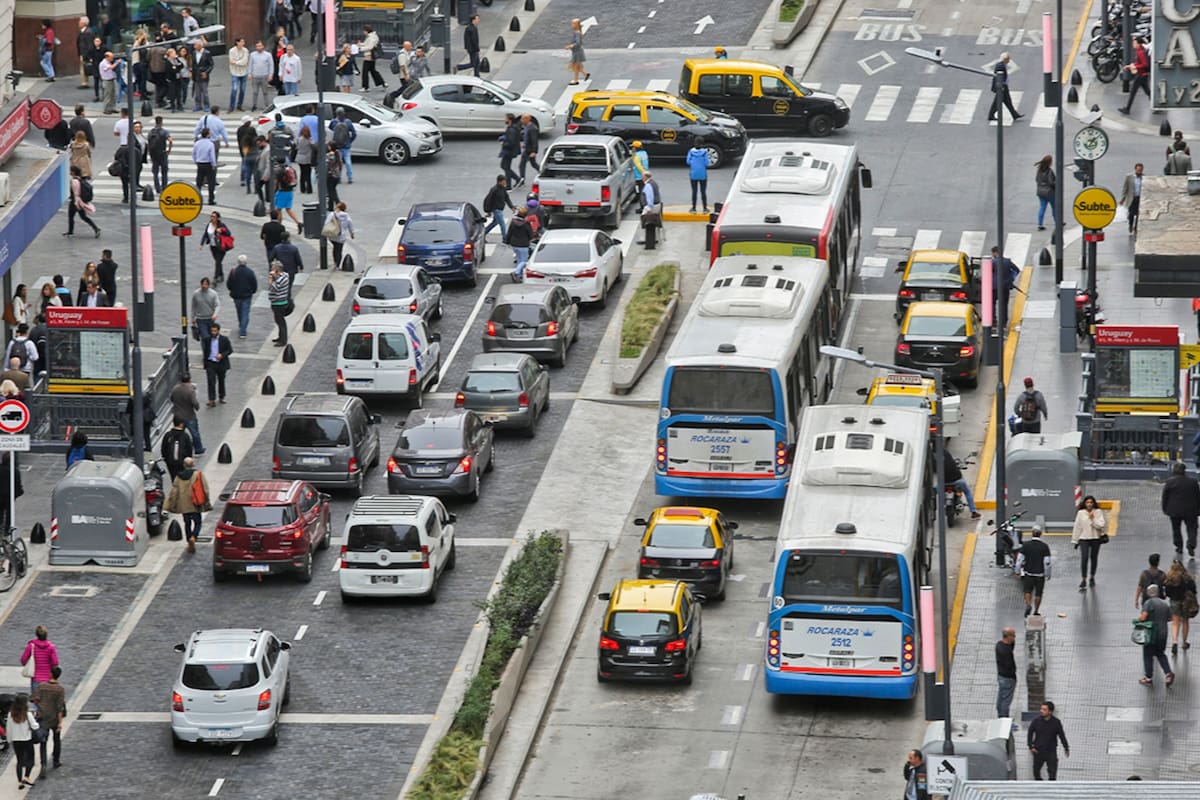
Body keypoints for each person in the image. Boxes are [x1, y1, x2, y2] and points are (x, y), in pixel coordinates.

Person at [164, 456, 210, 553]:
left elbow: (174, 492)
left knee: (187, 523)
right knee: (198, 523)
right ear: (193, 464)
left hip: (184, 505)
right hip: (195, 503)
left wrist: (170, 504)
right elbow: (205, 489)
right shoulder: (198, 475)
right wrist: (206, 502)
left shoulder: (178, 477)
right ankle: (194, 537)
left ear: (184, 465)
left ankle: (189, 540)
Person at [1162, 461, 1200, 557]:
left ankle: (1179, 546)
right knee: (1192, 528)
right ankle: (1191, 545)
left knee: (1176, 528)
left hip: (1174, 510)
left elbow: (1165, 496)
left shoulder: (1170, 482)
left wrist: (1165, 508)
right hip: (1191, 510)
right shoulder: (1193, 482)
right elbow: (1198, 496)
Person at [1140, 583, 1175, 686]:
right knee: (1160, 654)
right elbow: (1170, 618)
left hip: (1151, 634)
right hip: (1163, 633)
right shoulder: (1164, 604)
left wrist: (1139, 620)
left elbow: (1143, 617)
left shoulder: (1148, 603)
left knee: (1147, 655)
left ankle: (1148, 677)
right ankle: (1168, 673)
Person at [31, 666, 65, 771]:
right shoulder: (60, 689)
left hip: (43, 717)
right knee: (56, 740)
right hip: (54, 717)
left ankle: (44, 764)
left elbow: (34, 699)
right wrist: (60, 722)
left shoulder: (41, 686)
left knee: (43, 741)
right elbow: (60, 707)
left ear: (50, 674)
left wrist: (40, 706)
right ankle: (56, 761)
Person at [1071, 494, 1107, 589]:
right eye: (1087, 502)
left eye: (1091, 502)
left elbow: (1101, 525)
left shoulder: (1098, 512)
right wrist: (1075, 540)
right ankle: (1083, 578)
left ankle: (1092, 576)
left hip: (1095, 538)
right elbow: (1077, 527)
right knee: (1084, 557)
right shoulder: (1081, 513)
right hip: (1084, 538)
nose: (1089, 504)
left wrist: (1092, 519)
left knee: (1094, 557)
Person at [1027, 701, 1068, 780]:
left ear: (1050, 712)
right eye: (1041, 709)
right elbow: (1030, 733)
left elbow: (1061, 735)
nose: (1041, 711)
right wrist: (1030, 746)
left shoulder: (1056, 722)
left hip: (1051, 751)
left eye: (1044, 709)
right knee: (1036, 771)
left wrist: (1066, 747)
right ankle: (1040, 787)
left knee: (1052, 773)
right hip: (1038, 750)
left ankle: (1051, 789)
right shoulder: (1036, 721)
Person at [1164, 558, 1197, 655]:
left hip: (1174, 601)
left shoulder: (1170, 577)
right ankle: (1184, 642)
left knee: (1175, 622)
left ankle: (1175, 641)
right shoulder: (1187, 577)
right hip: (1185, 602)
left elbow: (1167, 592)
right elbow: (1194, 590)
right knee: (1185, 621)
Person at [6, 694, 39, 788]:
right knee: (30, 760)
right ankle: (27, 777)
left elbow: (9, 728)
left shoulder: (11, 714)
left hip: (16, 740)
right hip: (27, 739)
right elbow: (35, 726)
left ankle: (20, 781)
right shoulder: (27, 714)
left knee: (19, 761)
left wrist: (9, 739)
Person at [1019, 524, 1051, 617]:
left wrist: (1018, 571)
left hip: (1028, 572)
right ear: (1041, 534)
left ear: (1032, 533)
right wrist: (1048, 574)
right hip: (1040, 574)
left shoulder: (1026, 545)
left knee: (1027, 590)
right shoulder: (1044, 546)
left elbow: (1020, 559)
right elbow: (1047, 562)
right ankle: (1036, 610)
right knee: (1038, 593)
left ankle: (1028, 605)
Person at [170, 373, 203, 454]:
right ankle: (198, 449)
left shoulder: (175, 389)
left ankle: (178, 447)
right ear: (189, 380)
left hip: (178, 415)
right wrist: (197, 407)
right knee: (195, 433)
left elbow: (171, 398)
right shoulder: (190, 391)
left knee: (178, 433)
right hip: (189, 416)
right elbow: (194, 402)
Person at [226, 255, 258, 339]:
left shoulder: (233, 271)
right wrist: (253, 291)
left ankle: (241, 325)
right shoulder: (250, 272)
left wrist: (232, 290)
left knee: (239, 311)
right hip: (247, 295)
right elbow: (254, 283)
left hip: (236, 295)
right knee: (245, 312)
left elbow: (229, 283)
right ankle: (243, 331)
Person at [19, 626, 59, 695]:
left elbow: (23, 660)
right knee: (46, 701)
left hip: (36, 679)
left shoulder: (31, 646)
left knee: (36, 700)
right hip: (47, 679)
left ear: (37, 634)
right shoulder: (51, 647)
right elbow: (55, 663)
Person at [65, 165, 100, 238]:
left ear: (73, 172)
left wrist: (75, 202)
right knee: (83, 217)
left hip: (76, 201)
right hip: (80, 201)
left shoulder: (74, 180)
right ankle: (96, 228)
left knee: (71, 216)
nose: (69, 172)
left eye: (70, 170)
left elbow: (76, 193)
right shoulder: (81, 179)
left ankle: (70, 232)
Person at [944, 449, 980, 519]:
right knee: (967, 492)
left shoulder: (938, 462)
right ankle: (973, 511)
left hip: (945, 483)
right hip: (958, 481)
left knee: (935, 490)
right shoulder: (950, 459)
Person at [202, 322, 232, 406]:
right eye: (212, 331)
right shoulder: (207, 340)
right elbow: (205, 351)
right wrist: (205, 363)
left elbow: (229, 350)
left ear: (218, 331)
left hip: (221, 363)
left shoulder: (224, 339)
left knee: (221, 381)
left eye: (215, 331)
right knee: (211, 381)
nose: (213, 333)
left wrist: (222, 355)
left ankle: (221, 396)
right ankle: (211, 399)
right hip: (211, 363)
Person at [1120, 37, 1151, 115]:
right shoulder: (1140, 50)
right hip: (1143, 75)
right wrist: (1130, 66)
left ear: (1138, 44)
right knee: (1147, 91)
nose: (1133, 44)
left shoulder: (1140, 52)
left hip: (1140, 75)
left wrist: (1135, 67)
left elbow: (1145, 64)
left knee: (1133, 92)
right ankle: (1156, 104)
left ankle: (1127, 109)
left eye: (1134, 43)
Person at [200, 211, 233, 284]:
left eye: (214, 216)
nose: (212, 218)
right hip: (212, 246)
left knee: (218, 262)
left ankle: (215, 277)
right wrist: (202, 244)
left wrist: (221, 230)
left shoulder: (221, 225)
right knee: (218, 262)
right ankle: (221, 275)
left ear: (217, 218)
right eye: (211, 216)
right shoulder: (209, 225)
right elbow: (205, 234)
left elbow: (228, 233)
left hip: (220, 246)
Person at [987, 52, 1021, 122]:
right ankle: (991, 115)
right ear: (1005, 59)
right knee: (997, 102)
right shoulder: (1000, 66)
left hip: (1003, 86)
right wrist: (1001, 87)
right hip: (1002, 87)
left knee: (1008, 101)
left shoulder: (1002, 65)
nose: (1009, 60)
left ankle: (1015, 115)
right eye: (1008, 59)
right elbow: (999, 77)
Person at [190, 276, 220, 352]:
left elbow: (217, 305)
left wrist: (215, 314)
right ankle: (206, 351)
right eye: (203, 284)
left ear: (208, 285)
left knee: (211, 335)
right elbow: (193, 306)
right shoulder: (196, 294)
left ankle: (209, 349)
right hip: (200, 319)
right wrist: (192, 318)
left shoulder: (213, 294)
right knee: (204, 336)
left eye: (206, 284)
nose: (204, 286)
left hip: (210, 318)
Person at [482, 175, 514, 243]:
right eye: (504, 181)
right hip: (496, 209)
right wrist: (488, 211)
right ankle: (505, 239)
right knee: (502, 224)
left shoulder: (503, 189)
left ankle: (483, 234)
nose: (505, 183)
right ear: (499, 182)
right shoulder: (494, 189)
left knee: (495, 223)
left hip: (500, 209)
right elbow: (488, 200)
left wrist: (512, 207)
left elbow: (507, 198)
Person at [995, 627, 1017, 720]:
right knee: (1006, 700)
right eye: (1013, 636)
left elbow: (1012, 645)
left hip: (1001, 676)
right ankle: (1004, 719)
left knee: (1001, 697)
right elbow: (1009, 665)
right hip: (1008, 678)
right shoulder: (1006, 651)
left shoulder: (999, 645)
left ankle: (1000, 713)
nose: (1014, 638)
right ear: (1009, 637)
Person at [273, 157, 302, 231]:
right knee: (288, 209)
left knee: (278, 209)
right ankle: (298, 222)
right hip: (290, 191)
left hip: (282, 191)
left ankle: (279, 226)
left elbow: (276, 182)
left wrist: (273, 190)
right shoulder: (290, 168)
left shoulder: (279, 170)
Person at [330, 107, 356, 184]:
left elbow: (331, 128)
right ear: (344, 113)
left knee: (338, 162)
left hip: (337, 145)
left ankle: (339, 177)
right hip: (346, 145)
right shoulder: (348, 122)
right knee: (348, 161)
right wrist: (350, 141)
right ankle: (350, 177)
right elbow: (354, 133)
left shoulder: (334, 122)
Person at [192, 127, 218, 205]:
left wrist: (196, 161)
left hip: (200, 164)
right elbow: (212, 156)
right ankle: (211, 199)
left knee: (199, 182)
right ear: (207, 135)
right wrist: (214, 165)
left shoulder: (197, 143)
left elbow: (194, 153)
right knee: (211, 182)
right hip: (208, 164)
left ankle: (197, 198)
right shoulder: (210, 144)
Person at [507, 207, 534, 283]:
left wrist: (507, 241)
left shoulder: (513, 222)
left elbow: (509, 233)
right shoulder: (526, 224)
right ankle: (516, 272)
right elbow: (530, 235)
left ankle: (520, 276)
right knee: (524, 260)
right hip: (523, 244)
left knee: (519, 260)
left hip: (514, 244)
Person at [147, 116, 172, 192]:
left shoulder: (151, 132)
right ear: (161, 122)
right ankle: (164, 186)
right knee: (164, 171)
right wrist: (169, 150)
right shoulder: (164, 132)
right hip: (162, 153)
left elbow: (148, 143)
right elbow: (170, 141)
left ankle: (157, 188)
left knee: (155, 172)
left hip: (154, 154)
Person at [268, 261, 291, 346]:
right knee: (279, 321)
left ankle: (283, 340)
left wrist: (271, 277)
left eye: (273, 268)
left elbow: (273, 288)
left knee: (280, 321)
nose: (271, 269)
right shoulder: (285, 275)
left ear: (276, 269)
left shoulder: (281, 279)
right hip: (278, 302)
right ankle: (281, 336)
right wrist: (275, 276)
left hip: (279, 303)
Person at [326, 202, 354, 268]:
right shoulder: (347, 216)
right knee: (339, 250)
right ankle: (338, 264)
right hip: (341, 237)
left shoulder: (332, 214)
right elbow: (350, 226)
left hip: (333, 235)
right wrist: (352, 234)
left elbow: (326, 223)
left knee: (335, 248)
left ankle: (335, 262)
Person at [640, 170, 664, 250]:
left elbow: (649, 197)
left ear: (646, 177)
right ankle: (657, 238)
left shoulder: (648, 185)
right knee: (655, 221)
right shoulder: (654, 183)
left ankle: (645, 239)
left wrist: (648, 208)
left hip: (651, 205)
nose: (641, 178)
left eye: (642, 177)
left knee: (645, 220)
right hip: (657, 204)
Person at [248, 40, 274, 111]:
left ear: (263, 46)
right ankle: (254, 105)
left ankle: (267, 105)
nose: (258, 47)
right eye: (257, 46)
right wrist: (249, 74)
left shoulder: (268, 55)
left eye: (260, 46)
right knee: (255, 92)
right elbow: (250, 65)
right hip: (255, 76)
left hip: (264, 76)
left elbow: (271, 65)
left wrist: (270, 75)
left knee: (265, 92)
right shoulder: (252, 55)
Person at [686, 138, 710, 213]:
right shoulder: (704, 152)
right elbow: (707, 163)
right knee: (703, 191)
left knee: (694, 191)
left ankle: (693, 208)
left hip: (693, 174)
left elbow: (688, 162)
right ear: (702, 144)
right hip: (703, 174)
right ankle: (705, 208)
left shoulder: (691, 151)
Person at [1120, 162, 1144, 234]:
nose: (1139, 171)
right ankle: (1130, 225)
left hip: (1140, 198)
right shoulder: (1129, 177)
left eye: (1141, 170)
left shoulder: (1144, 178)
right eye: (1138, 170)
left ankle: (1136, 228)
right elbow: (1125, 188)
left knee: (1138, 214)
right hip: (1132, 198)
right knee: (1131, 214)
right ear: (1135, 169)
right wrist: (1122, 199)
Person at [360, 24, 386, 90]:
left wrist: (361, 48)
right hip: (372, 56)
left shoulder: (371, 37)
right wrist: (361, 44)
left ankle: (365, 87)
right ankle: (382, 83)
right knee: (372, 70)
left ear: (366, 31)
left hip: (369, 55)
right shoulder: (373, 36)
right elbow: (367, 44)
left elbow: (370, 47)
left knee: (365, 72)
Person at [498, 114, 521, 186]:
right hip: (509, 151)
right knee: (504, 166)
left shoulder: (511, 129)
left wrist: (503, 143)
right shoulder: (511, 128)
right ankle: (518, 179)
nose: (505, 120)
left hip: (509, 151)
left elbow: (511, 142)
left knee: (506, 167)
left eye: (506, 118)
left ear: (509, 120)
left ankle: (509, 185)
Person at [191, 39, 213, 112]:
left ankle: (206, 105)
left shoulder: (207, 53)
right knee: (197, 92)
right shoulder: (194, 53)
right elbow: (193, 64)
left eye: (195, 45)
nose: (194, 47)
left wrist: (206, 72)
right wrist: (192, 72)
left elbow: (211, 65)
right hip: (196, 74)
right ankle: (198, 105)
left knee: (204, 92)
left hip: (203, 74)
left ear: (200, 45)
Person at [228, 37, 249, 111]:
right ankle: (231, 106)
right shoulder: (232, 51)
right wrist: (240, 62)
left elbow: (245, 62)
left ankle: (240, 105)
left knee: (243, 90)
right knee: (234, 89)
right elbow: (231, 61)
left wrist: (236, 62)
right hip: (234, 72)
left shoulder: (245, 50)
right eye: (242, 42)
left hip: (244, 72)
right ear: (237, 42)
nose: (243, 43)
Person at [1035, 155, 1056, 231]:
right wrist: (1056, 184)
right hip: (1049, 192)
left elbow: (1036, 179)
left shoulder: (1039, 170)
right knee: (1054, 207)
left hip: (1040, 192)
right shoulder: (1049, 171)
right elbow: (1051, 182)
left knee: (1042, 207)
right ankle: (1057, 222)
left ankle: (1040, 224)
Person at [565, 18, 588, 85]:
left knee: (575, 67)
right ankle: (585, 74)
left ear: (576, 25)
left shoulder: (577, 33)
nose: (572, 25)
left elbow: (578, 43)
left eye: (573, 23)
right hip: (576, 51)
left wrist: (570, 46)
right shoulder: (576, 32)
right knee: (578, 66)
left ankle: (576, 80)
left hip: (577, 52)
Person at [518, 113, 539, 185]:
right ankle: (543, 172)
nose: (521, 120)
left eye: (523, 119)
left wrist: (534, 151)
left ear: (527, 119)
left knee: (522, 165)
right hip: (527, 149)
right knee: (533, 164)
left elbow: (534, 140)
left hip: (529, 150)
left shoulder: (532, 128)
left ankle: (521, 180)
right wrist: (524, 144)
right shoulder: (527, 127)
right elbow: (527, 137)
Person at [295, 126, 316, 194]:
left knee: (302, 173)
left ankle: (302, 188)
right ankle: (309, 189)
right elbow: (314, 147)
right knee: (308, 174)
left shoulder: (298, 139)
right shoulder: (309, 140)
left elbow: (296, 146)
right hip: (307, 158)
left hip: (300, 157)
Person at [631, 140, 649, 209]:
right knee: (643, 190)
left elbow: (638, 166)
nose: (632, 148)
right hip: (645, 175)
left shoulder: (637, 156)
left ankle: (642, 206)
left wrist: (643, 173)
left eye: (633, 147)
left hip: (639, 176)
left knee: (641, 191)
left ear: (635, 148)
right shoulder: (644, 153)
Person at [325, 144, 343, 210]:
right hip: (337, 174)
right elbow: (340, 164)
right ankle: (330, 206)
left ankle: (338, 203)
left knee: (331, 191)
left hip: (331, 175)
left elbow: (326, 164)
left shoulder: (329, 155)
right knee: (332, 190)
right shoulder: (338, 153)